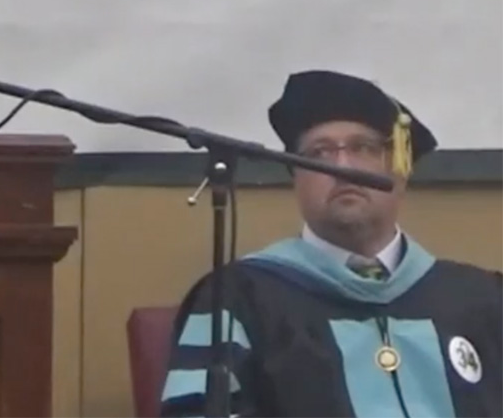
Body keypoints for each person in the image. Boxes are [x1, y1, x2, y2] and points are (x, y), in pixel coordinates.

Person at [159, 69, 501, 418]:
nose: (341, 165)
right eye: (318, 153)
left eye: (363, 148)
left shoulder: (483, 298)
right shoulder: (238, 299)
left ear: (400, 168)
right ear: (297, 179)